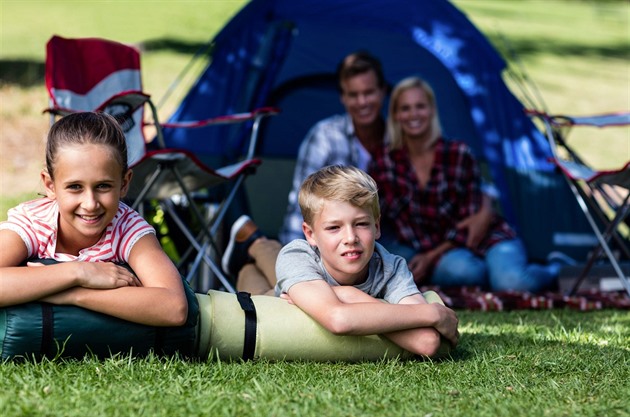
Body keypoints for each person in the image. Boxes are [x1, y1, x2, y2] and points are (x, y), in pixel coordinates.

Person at [223, 51, 493, 294]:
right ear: (343, 97)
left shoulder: (399, 137)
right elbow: (303, 206)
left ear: (382, 92)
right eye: (353, 95)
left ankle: (252, 251)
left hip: (380, 238)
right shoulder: (325, 138)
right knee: (296, 294)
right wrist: (301, 252)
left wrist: (485, 206)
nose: (362, 102)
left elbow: (443, 170)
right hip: (329, 239)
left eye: (369, 92)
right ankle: (258, 248)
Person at [370, 76, 560, 292]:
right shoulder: (384, 161)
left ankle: (555, 269)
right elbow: (375, 212)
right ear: (395, 115)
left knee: (512, 283)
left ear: (432, 110)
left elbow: (470, 227)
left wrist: (430, 258)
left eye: (420, 106)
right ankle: (488, 276)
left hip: (483, 238)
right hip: (438, 250)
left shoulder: (457, 153)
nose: (413, 114)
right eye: (405, 108)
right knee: (459, 271)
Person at [0, 112, 188, 326]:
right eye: (75, 187)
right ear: (50, 185)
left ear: (124, 183)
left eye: (103, 186)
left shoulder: (127, 228)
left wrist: (73, 294)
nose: (90, 203)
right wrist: (79, 272)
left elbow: (174, 308)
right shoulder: (33, 222)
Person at [274, 165, 459, 357]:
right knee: (259, 277)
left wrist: (348, 295)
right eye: (334, 228)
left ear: (377, 226)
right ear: (310, 234)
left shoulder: (390, 267)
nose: (350, 238)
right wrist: (433, 313)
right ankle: (257, 245)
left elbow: (426, 341)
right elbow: (338, 319)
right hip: (271, 287)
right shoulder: (297, 256)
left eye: (361, 224)